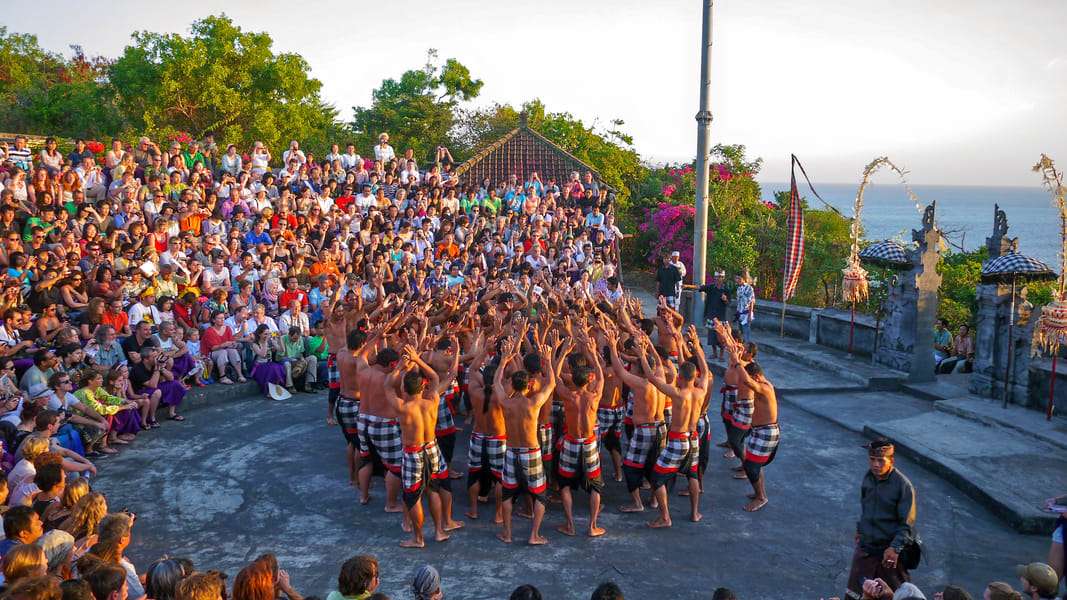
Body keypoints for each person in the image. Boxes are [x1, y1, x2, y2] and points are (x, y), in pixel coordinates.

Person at [383, 344, 464, 548]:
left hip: (413, 453)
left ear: (404, 389)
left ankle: (418, 539)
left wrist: (401, 366)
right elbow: (436, 379)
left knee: (412, 496)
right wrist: (417, 360)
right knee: (433, 490)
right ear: (422, 387)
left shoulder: (402, 407)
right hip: (432, 448)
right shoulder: (433, 400)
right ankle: (438, 531)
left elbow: (387, 385)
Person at [494, 334, 564, 545]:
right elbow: (551, 382)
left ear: (513, 385)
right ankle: (534, 535)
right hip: (531, 451)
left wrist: (504, 359)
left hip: (511, 450)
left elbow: (497, 381)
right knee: (540, 494)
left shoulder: (506, 402)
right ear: (527, 385)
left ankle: (507, 534)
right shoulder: (533, 403)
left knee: (507, 495)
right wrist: (547, 358)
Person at [639, 325, 710, 526]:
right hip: (693, 437)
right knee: (692, 475)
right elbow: (705, 370)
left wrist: (641, 354)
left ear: (680, 376)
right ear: (694, 376)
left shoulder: (677, 394)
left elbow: (652, 377)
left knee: (657, 478)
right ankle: (695, 513)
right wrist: (696, 347)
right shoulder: (700, 390)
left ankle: (665, 517)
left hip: (678, 440)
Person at [845, 438, 918, 597]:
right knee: (855, 594)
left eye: (880, 460)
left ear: (891, 460)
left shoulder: (903, 486)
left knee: (892, 595)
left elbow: (907, 525)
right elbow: (865, 507)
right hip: (866, 549)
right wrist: (860, 528)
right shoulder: (868, 478)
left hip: (887, 554)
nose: (875, 465)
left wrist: (895, 548)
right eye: (872, 460)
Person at [554, 334, 607, 537]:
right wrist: (593, 352)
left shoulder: (568, 395)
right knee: (595, 485)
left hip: (572, 441)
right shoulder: (594, 396)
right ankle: (592, 526)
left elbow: (555, 375)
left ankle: (570, 525)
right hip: (590, 442)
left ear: (573, 380)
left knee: (565, 484)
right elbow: (601, 376)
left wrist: (563, 353)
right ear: (588, 381)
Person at [698, 270, 730, 358]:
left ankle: (721, 355)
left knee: (722, 337)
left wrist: (725, 299)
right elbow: (701, 288)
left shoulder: (726, 290)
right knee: (712, 336)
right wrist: (689, 286)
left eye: (720, 277)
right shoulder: (711, 287)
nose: (717, 279)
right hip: (711, 315)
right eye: (716, 277)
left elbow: (728, 303)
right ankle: (714, 353)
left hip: (721, 317)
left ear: (723, 278)